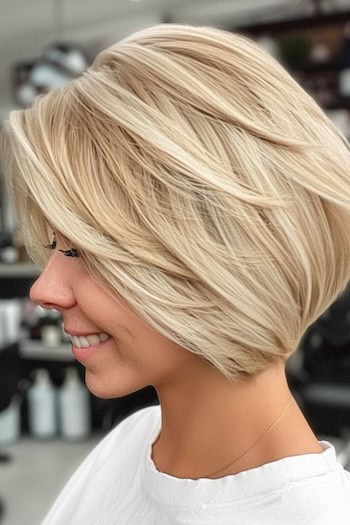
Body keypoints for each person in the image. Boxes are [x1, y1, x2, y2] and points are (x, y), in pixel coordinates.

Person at [2, 23, 350, 524]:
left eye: (87, 250)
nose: (44, 289)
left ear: (220, 251)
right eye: (56, 245)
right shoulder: (131, 441)